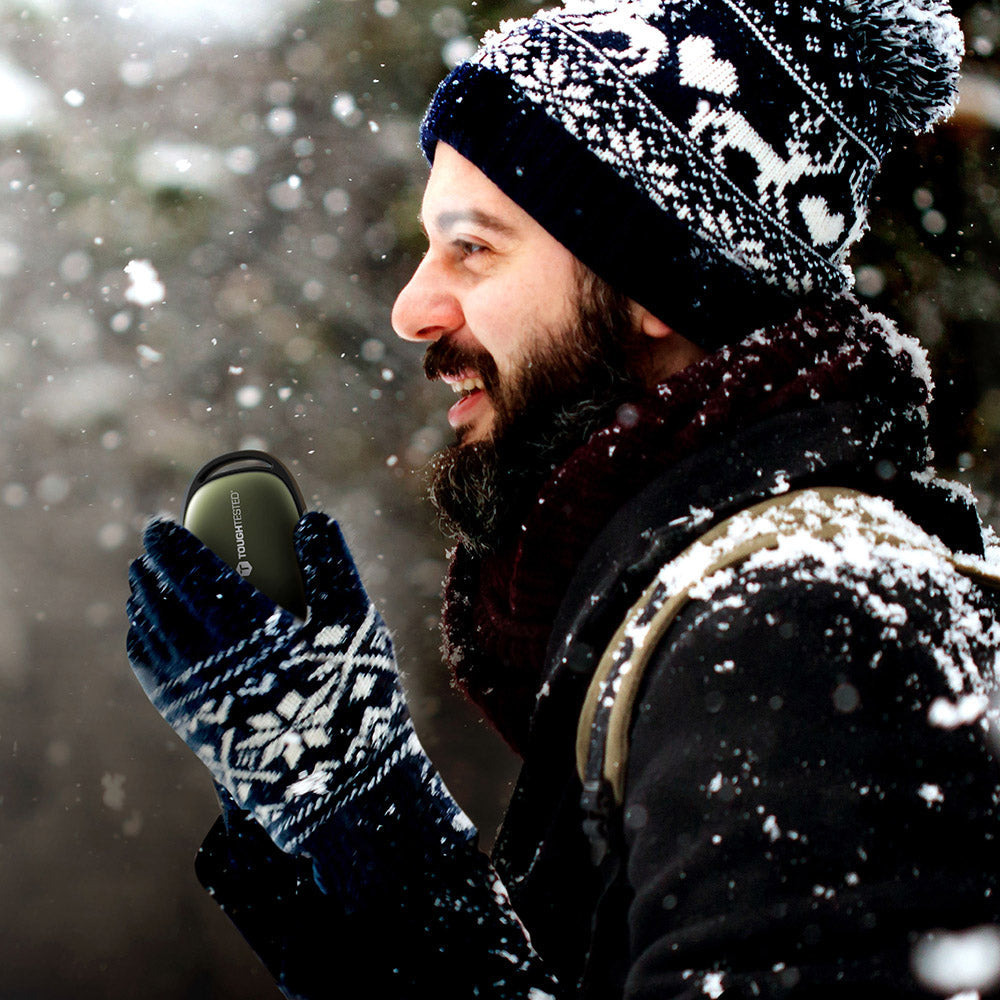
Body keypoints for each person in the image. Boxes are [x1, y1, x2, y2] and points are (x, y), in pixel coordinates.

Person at [125, 0, 1000, 996]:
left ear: (657, 280)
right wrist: (334, 809)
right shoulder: (718, 610)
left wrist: (377, 832)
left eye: (474, 248)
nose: (412, 309)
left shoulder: (806, 625)